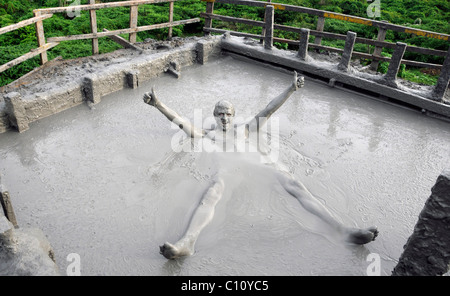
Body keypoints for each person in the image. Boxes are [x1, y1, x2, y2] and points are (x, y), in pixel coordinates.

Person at [143, 71, 378, 260]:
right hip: (227, 172)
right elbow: (182, 122)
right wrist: (158, 104)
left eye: (228, 114)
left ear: (233, 116)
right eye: (220, 114)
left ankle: (343, 230)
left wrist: (290, 89)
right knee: (213, 192)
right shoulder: (208, 134)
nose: (224, 118)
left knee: (294, 184)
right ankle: (187, 242)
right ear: (214, 116)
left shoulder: (244, 129)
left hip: (257, 166)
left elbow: (268, 109)